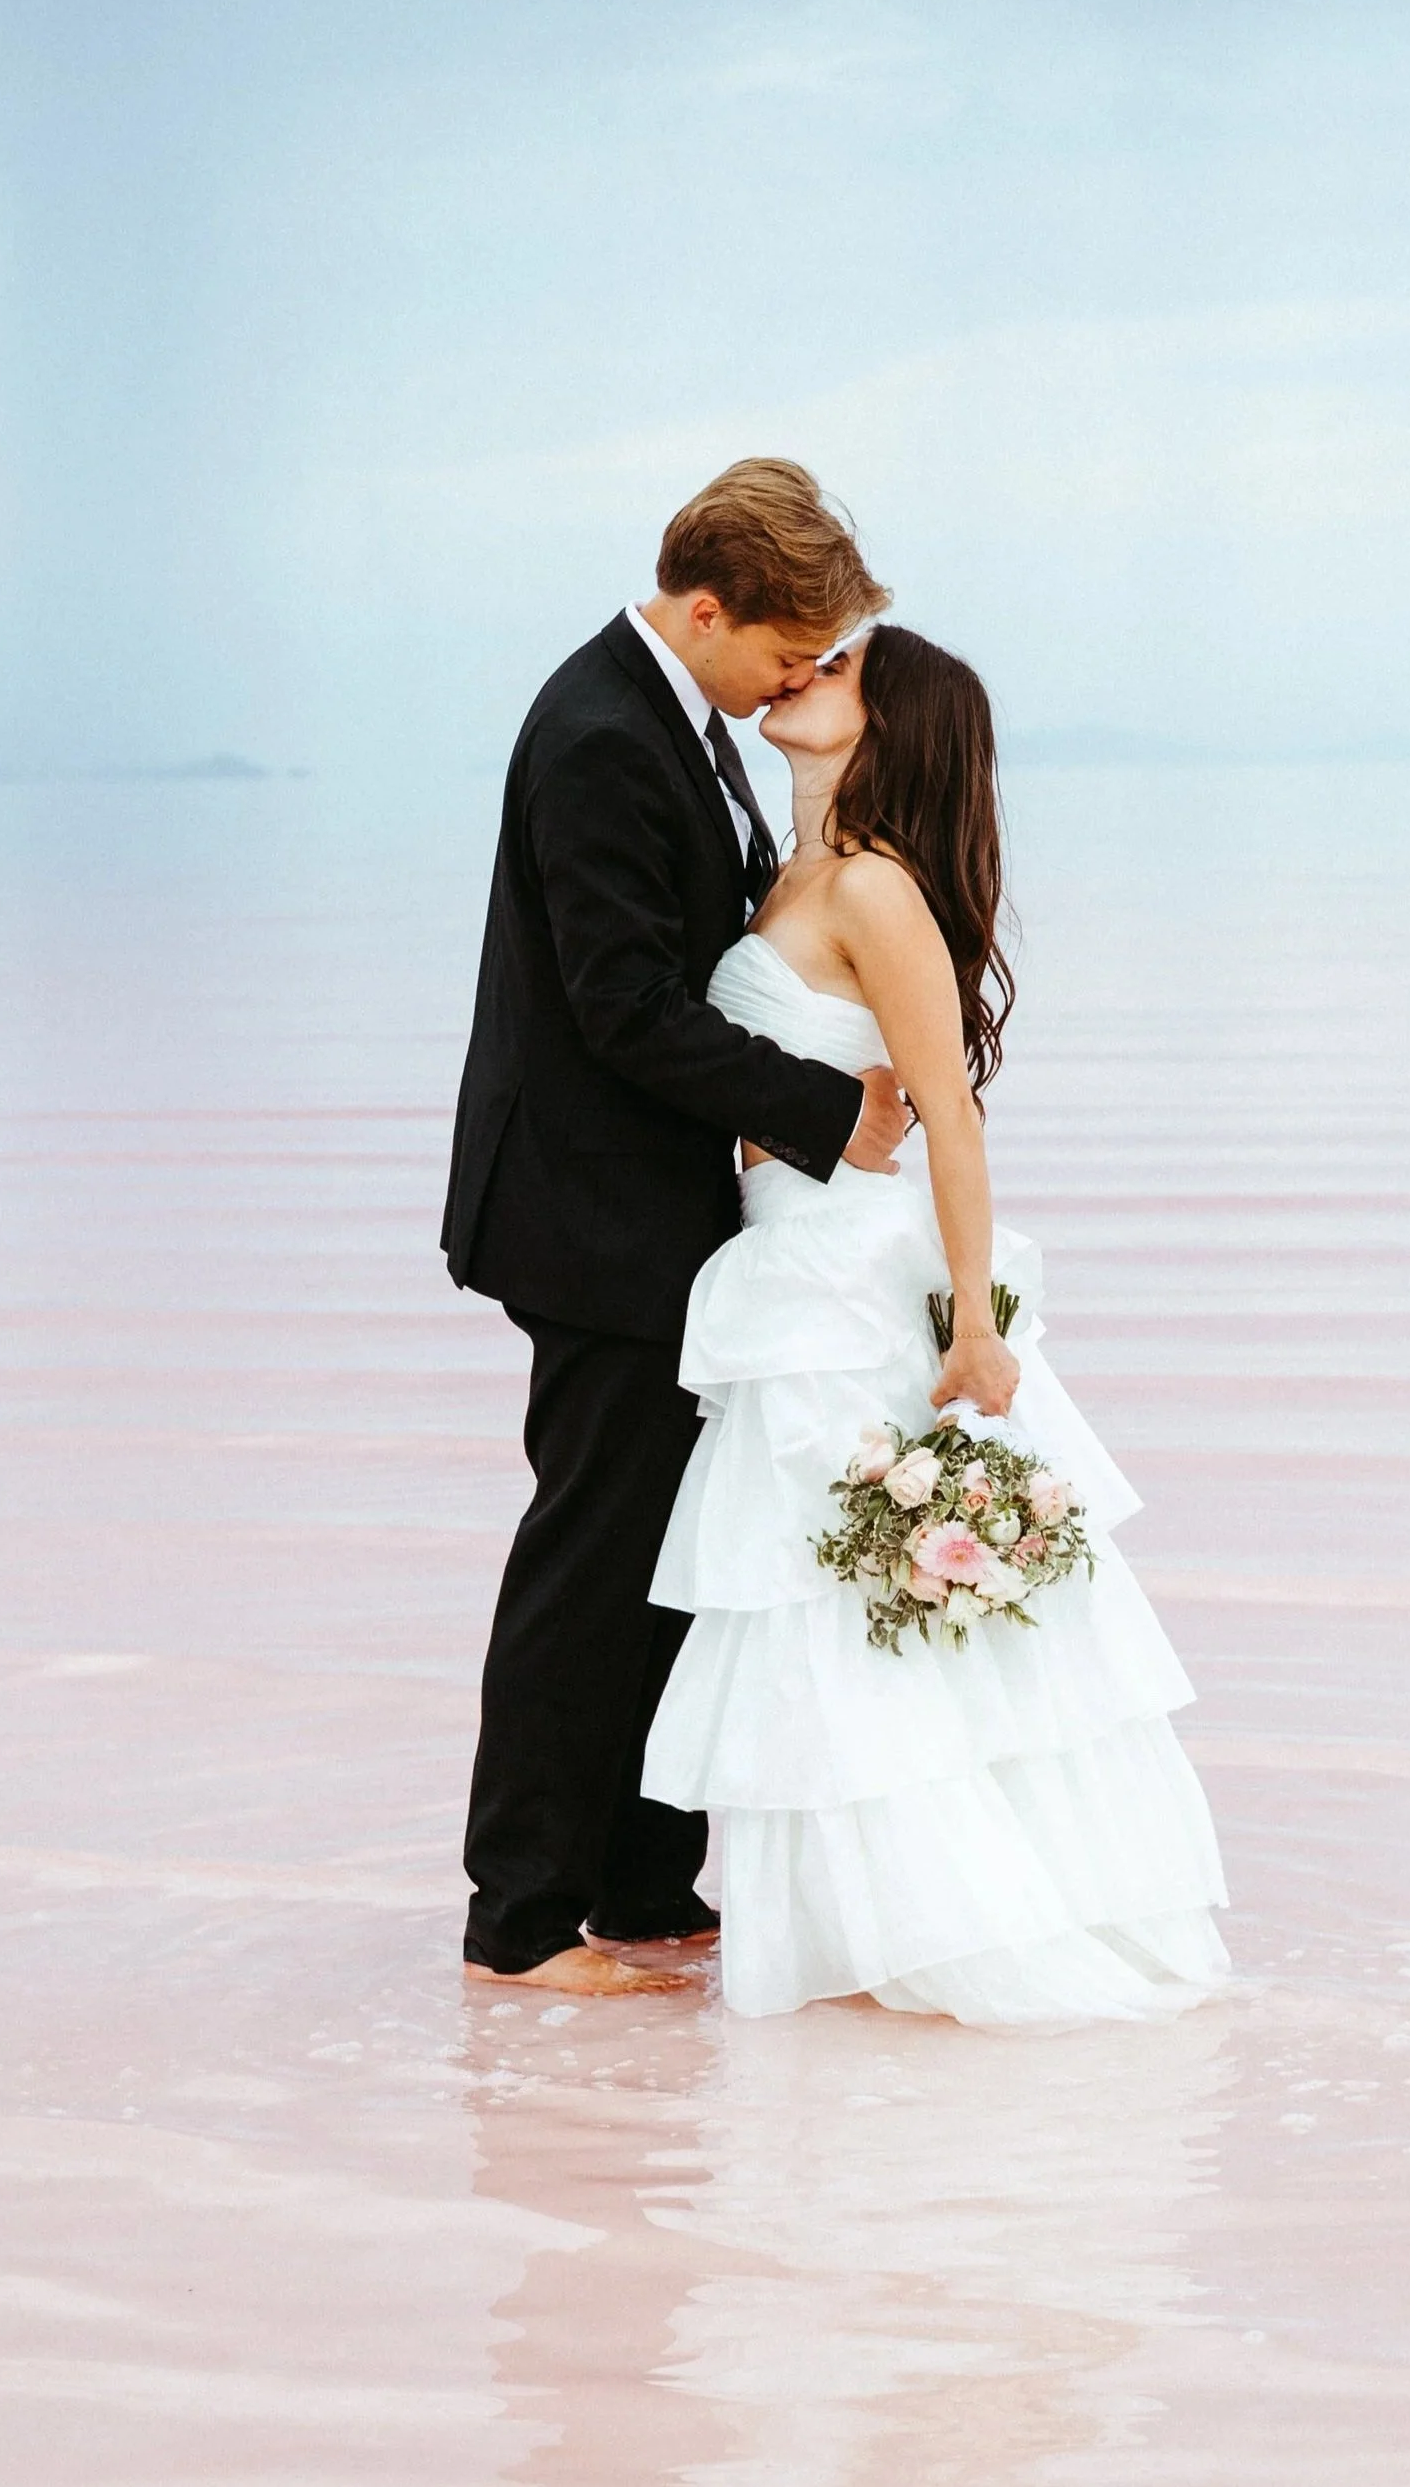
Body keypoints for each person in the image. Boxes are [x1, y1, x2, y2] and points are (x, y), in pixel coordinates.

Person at [642, 625, 1230, 2023]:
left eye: (836, 668)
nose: (800, 674)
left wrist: (975, 1328)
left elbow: (950, 1118)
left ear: (889, 724)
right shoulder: (791, 871)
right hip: (787, 1265)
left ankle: (937, 1918)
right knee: (817, 1608)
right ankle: (854, 1923)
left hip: (843, 1285)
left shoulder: (875, 892)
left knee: (848, 1609)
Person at [443, 459, 902, 1998]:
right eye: (787, 655)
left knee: (669, 1557)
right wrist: (835, 1114)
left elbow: (725, 940)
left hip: (660, 1215)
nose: (799, 680)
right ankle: (517, 1922)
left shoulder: (680, 720)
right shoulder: (593, 736)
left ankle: (643, 1888)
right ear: (707, 609)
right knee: (588, 1564)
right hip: (586, 1220)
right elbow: (624, 1006)